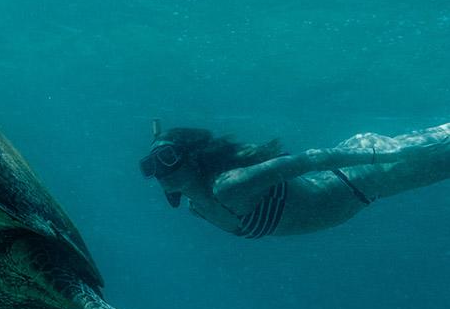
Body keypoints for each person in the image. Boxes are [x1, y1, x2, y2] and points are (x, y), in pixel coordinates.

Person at [139, 120, 450, 238]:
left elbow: (311, 159)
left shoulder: (230, 186)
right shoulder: (199, 204)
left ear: (193, 157)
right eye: (150, 165)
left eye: (167, 159)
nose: (160, 172)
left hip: (370, 173)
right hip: (365, 184)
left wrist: (388, 156)